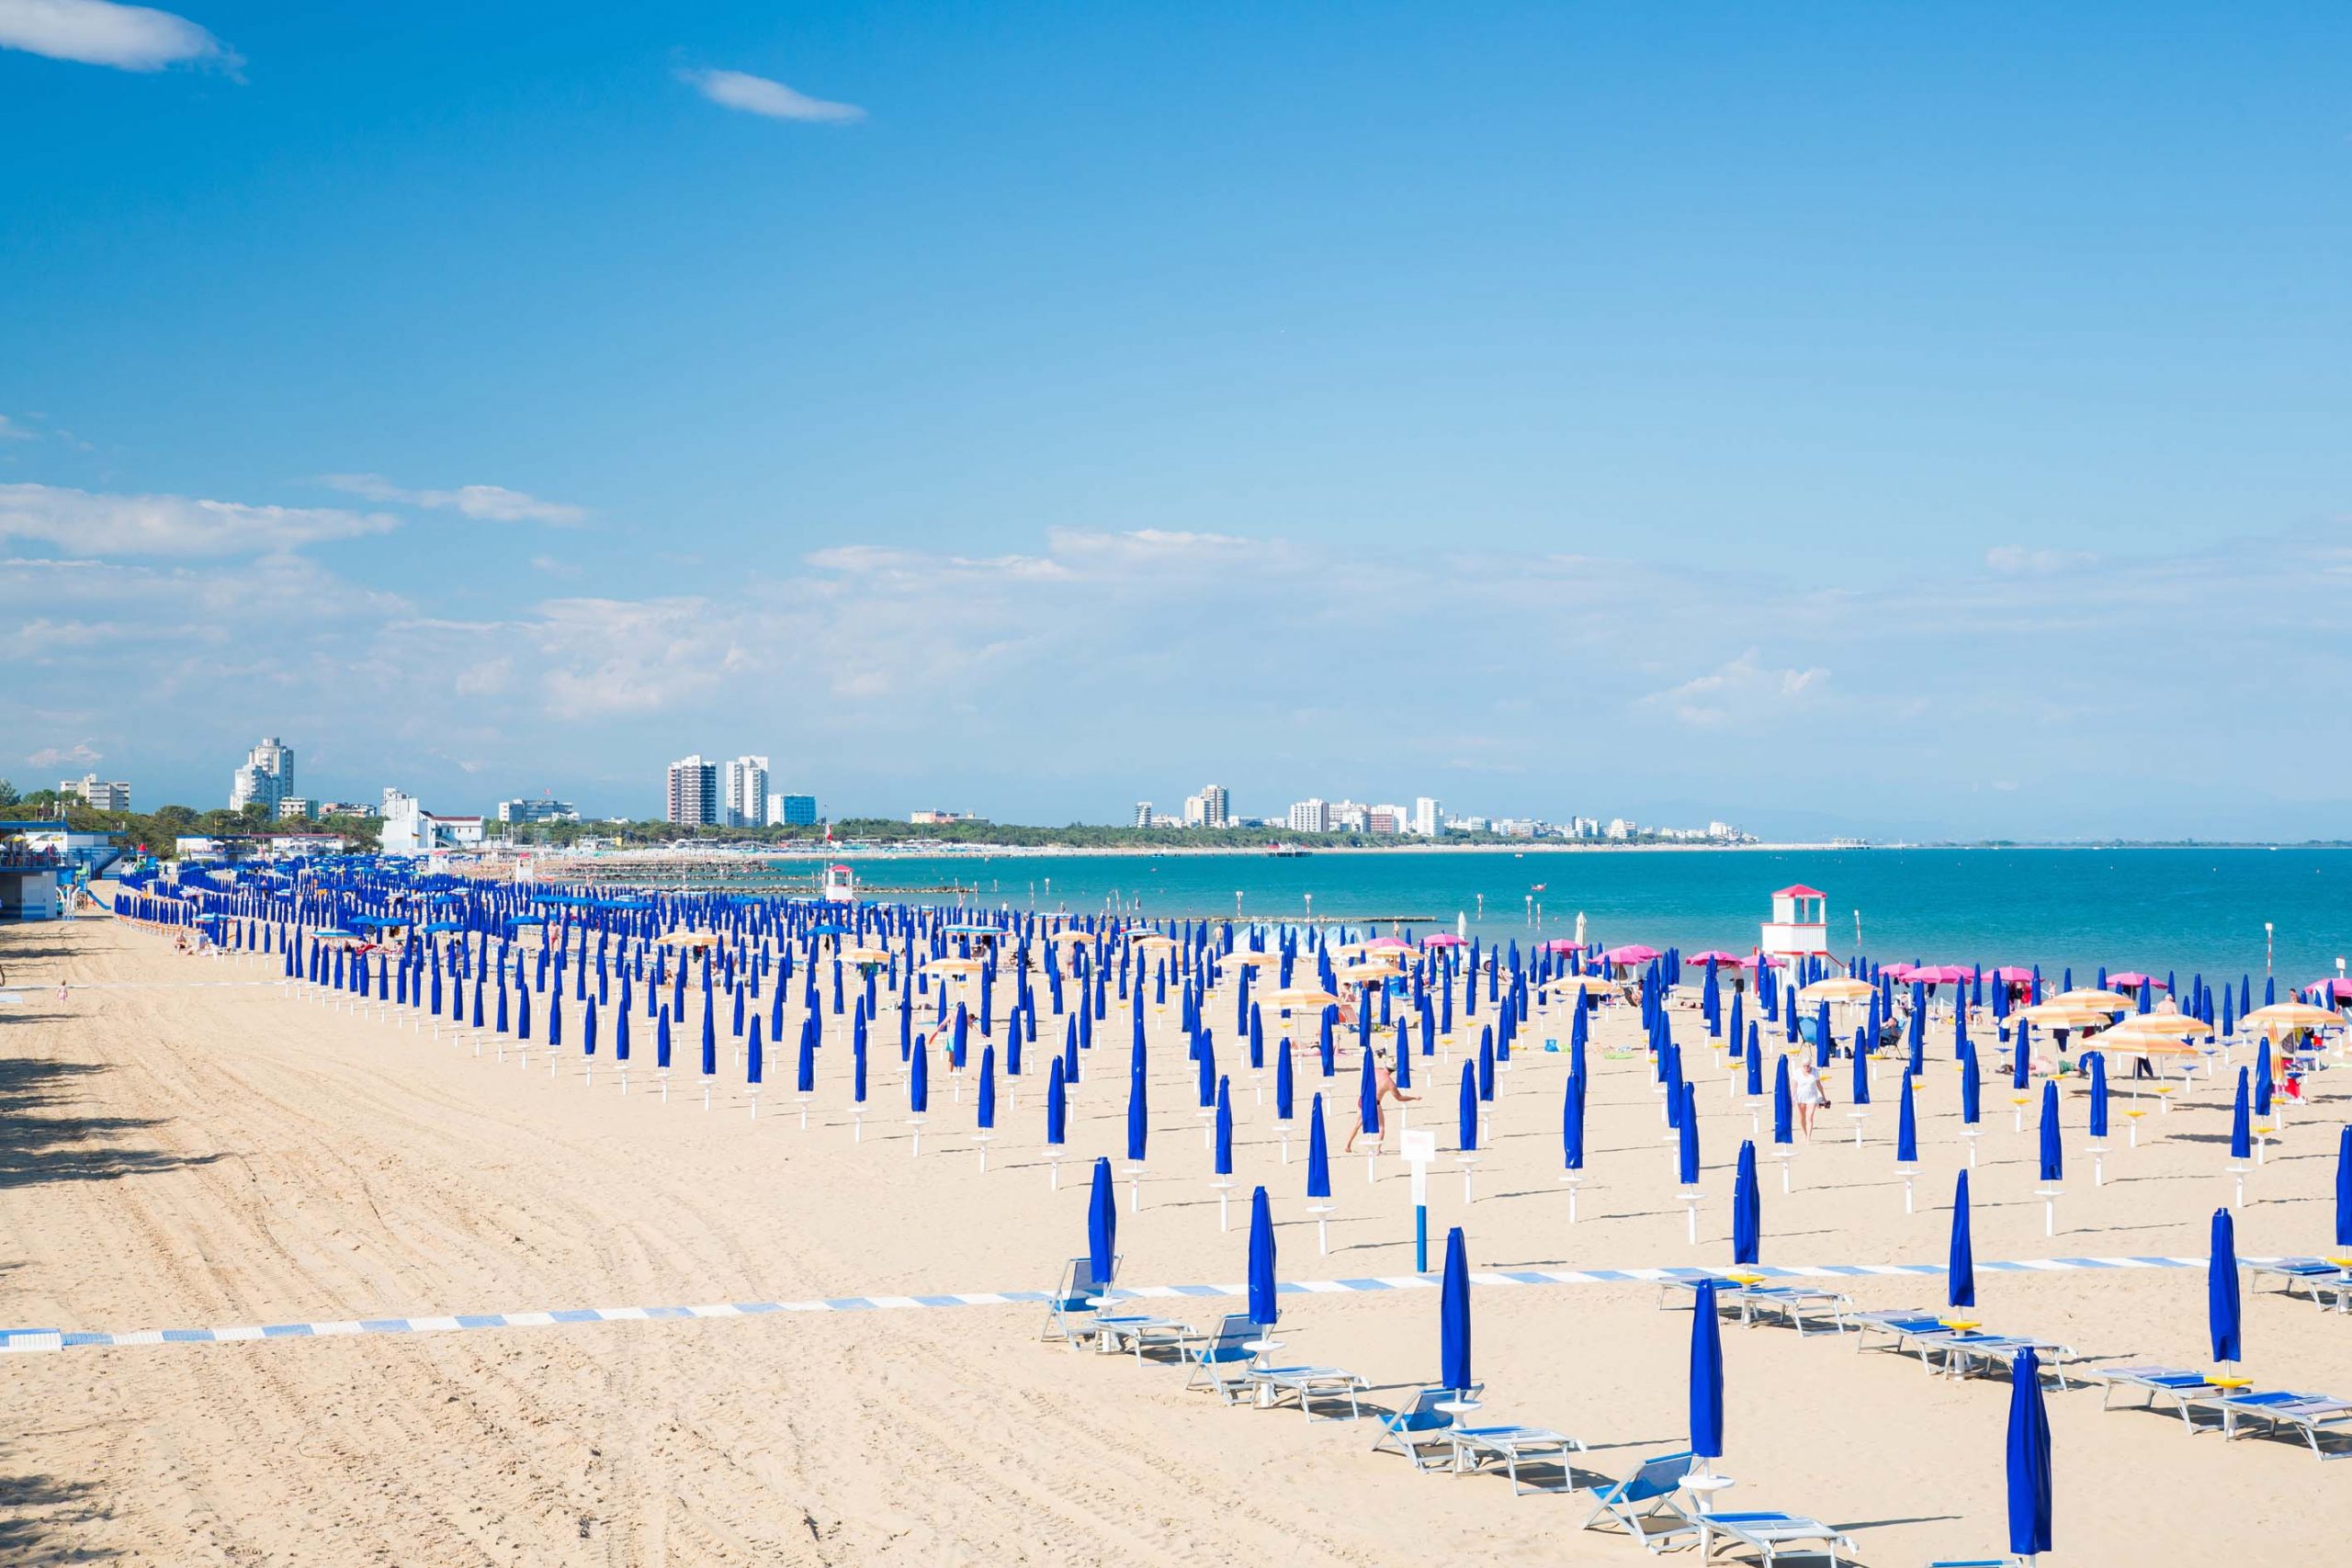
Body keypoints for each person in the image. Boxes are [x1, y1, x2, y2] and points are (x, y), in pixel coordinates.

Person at [1343, 1046, 1418, 1154]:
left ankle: (1347, 1144)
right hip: (1374, 1103)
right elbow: (1399, 1098)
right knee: (1381, 1126)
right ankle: (1378, 1150)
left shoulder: (1375, 1071)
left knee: (1358, 1123)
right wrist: (1413, 1097)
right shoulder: (1389, 1082)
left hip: (1363, 1099)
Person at [1790, 1055, 1828, 1140]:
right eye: (1804, 1066)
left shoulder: (1815, 1072)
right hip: (1800, 1098)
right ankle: (1805, 1133)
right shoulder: (1797, 1072)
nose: (1806, 1067)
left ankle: (1808, 1138)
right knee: (1801, 1119)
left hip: (1812, 1097)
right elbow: (1793, 1085)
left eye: (1808, 1066)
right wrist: (1792, 1097)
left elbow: (1819, 1084)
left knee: (1809, 1117)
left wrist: (1823, 1096)